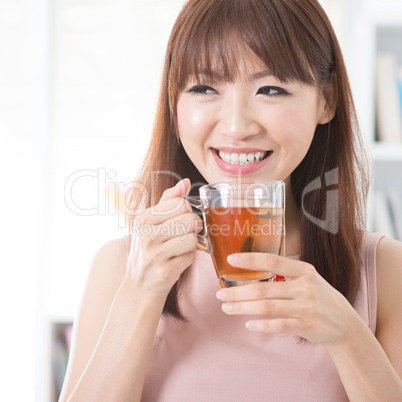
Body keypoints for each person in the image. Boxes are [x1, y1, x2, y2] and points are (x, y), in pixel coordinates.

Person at [59, 0, 402, 400]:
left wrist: (347, 335)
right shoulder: (121, 266)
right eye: (204, 88)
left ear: (326, 100)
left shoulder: (384, 269)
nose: (237, 127)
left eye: (270, 89)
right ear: (174, 102)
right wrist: (141, 292)